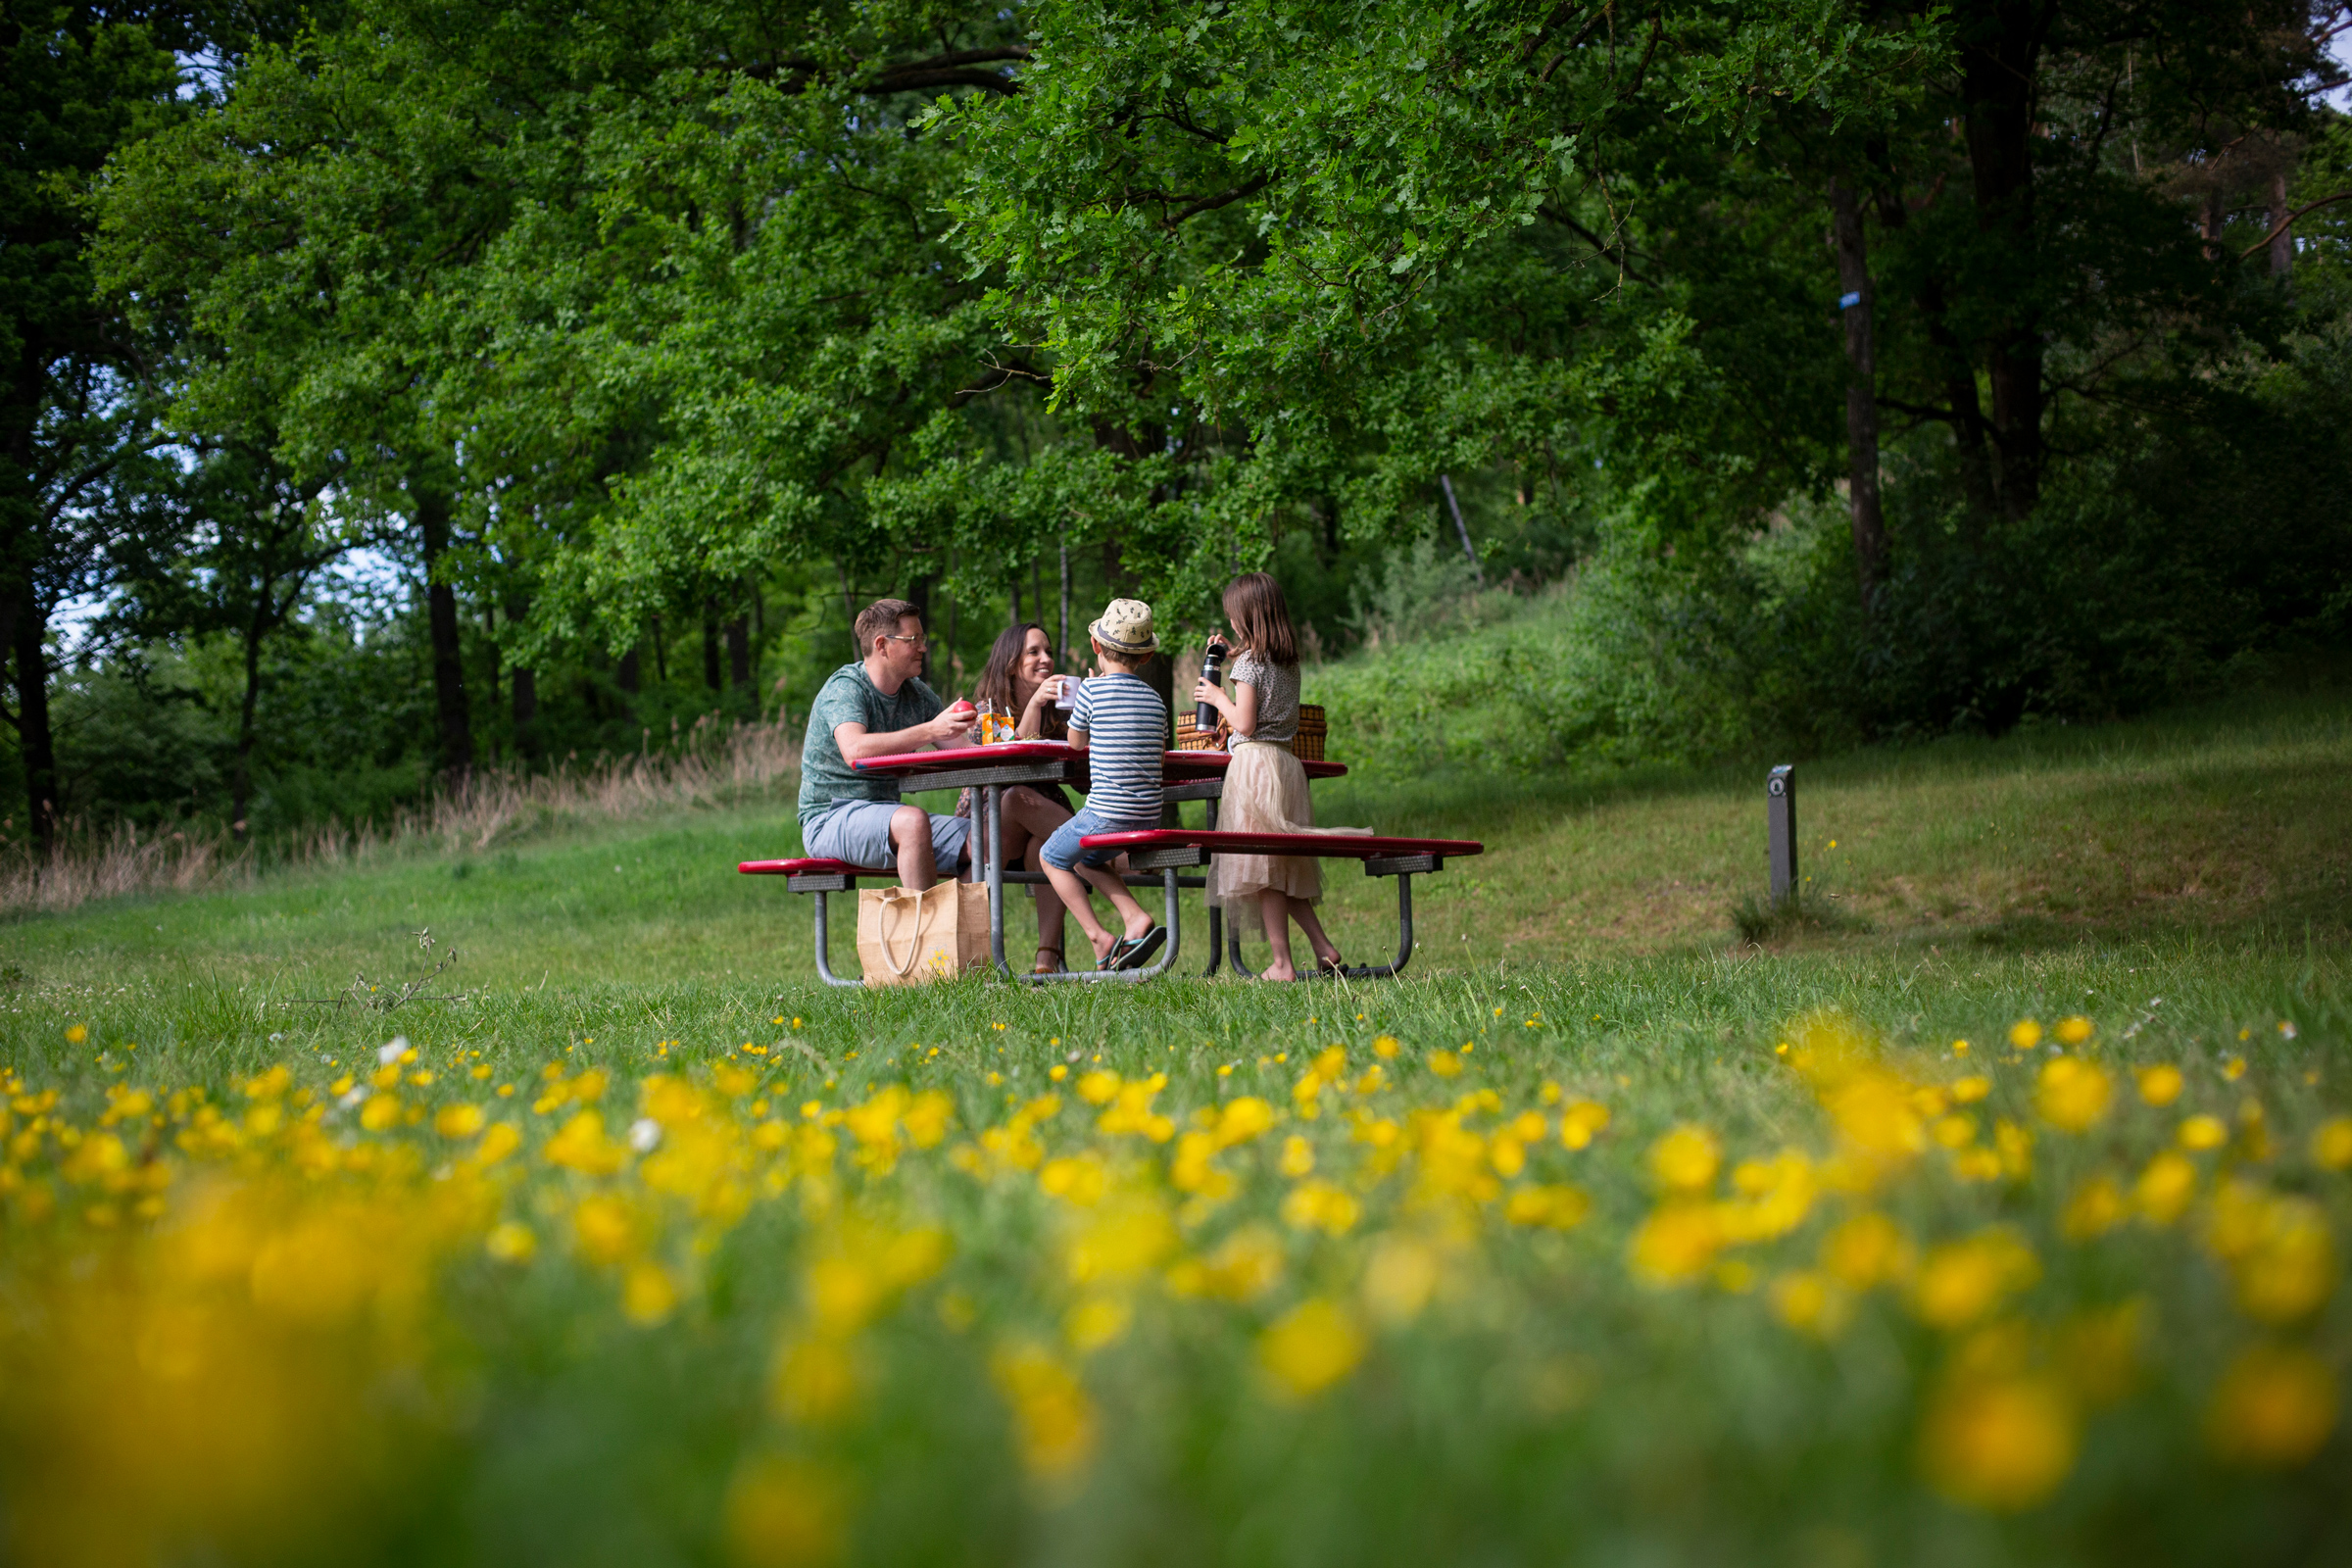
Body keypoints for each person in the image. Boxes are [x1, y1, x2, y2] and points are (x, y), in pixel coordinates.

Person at [1191, 571, 1363, 981]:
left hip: (1255, 770)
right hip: (1285, 765)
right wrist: (1231, 653)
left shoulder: (1250, 665)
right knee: (1279, 866)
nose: (1230, 622)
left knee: (1262, 867)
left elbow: (1246, 723)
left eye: (1233, 616)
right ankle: (1323, 948)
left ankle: (1282, 963)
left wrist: (1217, 698)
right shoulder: (1283, 661)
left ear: (1246, 617)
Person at [797, 598, 975, 888]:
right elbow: (854, 750)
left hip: (890, 816)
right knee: (913, 822)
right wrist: (930, 730)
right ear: (881, 645)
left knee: (993, 838)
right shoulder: (845, 687)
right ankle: (924, 930)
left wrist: (1010, 741)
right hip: (828, 818)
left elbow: (964, 751)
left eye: (923, 638)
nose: (923, 647)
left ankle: (952, 922)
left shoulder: (916, 693)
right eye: (913, 639)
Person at [1039, 599, 1170, 971]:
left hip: (1107, 812)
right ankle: (1133, 917)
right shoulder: (1156, 700)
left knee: (1050, 856)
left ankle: (1099, 936)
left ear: (1096, 646)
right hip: (1147, 814)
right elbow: (1159, 759)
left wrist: (1088, 701)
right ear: (1145, 658)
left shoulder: (1092, 692)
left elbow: (1076, 743)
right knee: (1087, 860)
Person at [962, 622, 1078, 973]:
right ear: (1011, 663)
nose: (1046, 659)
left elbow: (1083, 773)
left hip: (1040, 816)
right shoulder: (988, 711)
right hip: (993, 816)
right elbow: (1008, 766)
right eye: (1034, 652)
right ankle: (1112, 854)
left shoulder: (1062, 711)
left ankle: (1047, 958)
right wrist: (1037, 704)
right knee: (1020, 804)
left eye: (1049, 652)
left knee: (1044, 848)